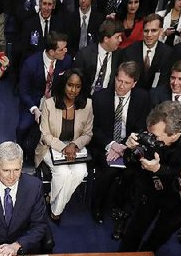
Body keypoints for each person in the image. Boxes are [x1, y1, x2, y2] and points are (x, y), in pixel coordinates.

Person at [118, 100, 181, 251]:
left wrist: (159, 169)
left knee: (159, 236)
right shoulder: (155, 125)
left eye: (155, 137)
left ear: (174, 134)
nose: (151, 138)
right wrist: (130, 149)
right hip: (149, 188)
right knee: (135, 228)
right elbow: (131, 163)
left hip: (176, 198)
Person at [89, 61, 151, 229]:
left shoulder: (143, 98)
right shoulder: (100, 97)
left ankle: (120, 206)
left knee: (131, 173)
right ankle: (97, 207)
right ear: (115, 78)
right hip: (105, 145)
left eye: (127, 83)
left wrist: (123, 146)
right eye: (119, 80)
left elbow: (142, 127)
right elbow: (94, 129)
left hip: (129, 146)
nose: (121, 86)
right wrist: (112, 144)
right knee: (107, 172)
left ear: (134, 83)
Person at [36, 68, 93, 220]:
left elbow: (88, 133)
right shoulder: (49, 104)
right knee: (63, 173)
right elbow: (45, 135)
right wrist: (63, 147)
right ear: (63, 85)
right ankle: (56, 212)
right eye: (70, 85)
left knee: (80, 172)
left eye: (78, 86)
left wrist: (73, 145)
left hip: (75, 147)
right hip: (50, 147)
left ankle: (53, 202)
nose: (73, 90)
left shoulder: (87, 105)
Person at [17, 31, 72, 158]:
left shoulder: (67, 61)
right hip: (33, 101)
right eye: (62, 49)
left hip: (55, 101)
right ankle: (20, 152)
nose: (66, 51)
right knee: (22, 127)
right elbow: (23, 91)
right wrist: (34, 109)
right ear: (52, 52)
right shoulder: (30, 63)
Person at [123, 13, 173, 90]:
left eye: (153, 30)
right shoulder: (130, 51)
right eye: (146, 31)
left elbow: (164, 81)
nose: (149, 35)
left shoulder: (167, 53)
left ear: (161, 31)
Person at [73, 18, 124, 94]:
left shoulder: (120, 54)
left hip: (106, 98)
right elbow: (76, 80)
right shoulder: (84, 54)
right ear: (106, 39)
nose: (121, 40)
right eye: (117, 37)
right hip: (86, 97)